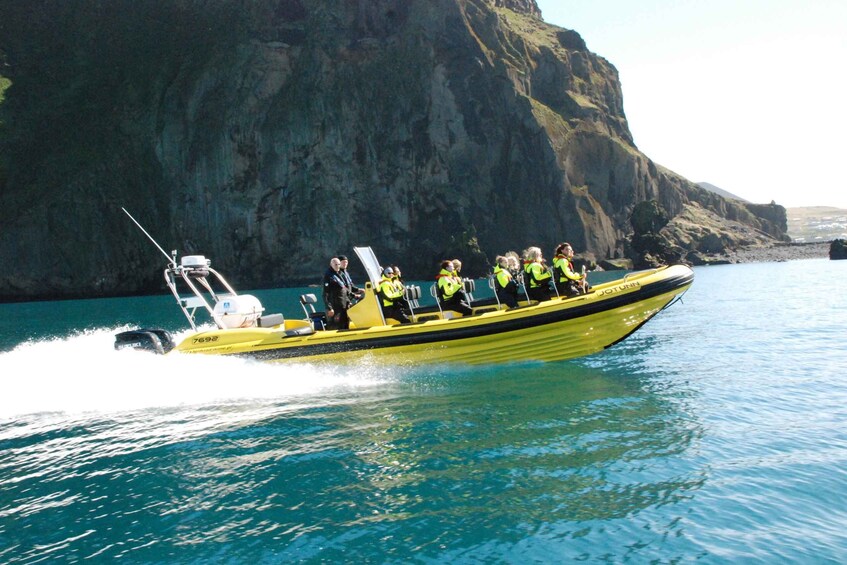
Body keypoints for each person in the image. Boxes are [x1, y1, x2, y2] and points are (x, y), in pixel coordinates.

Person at [323, 257, 352, 329]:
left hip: (343, 305)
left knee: (345, 323)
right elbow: (325, 294)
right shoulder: (329, 276)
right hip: (335, 306)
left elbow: (344, 290)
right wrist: (329, 308)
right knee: (336, 325)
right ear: (331, 264)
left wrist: (353, 296)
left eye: (339, 264)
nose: (338, 266)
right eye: (335, 264)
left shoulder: (340, 274)